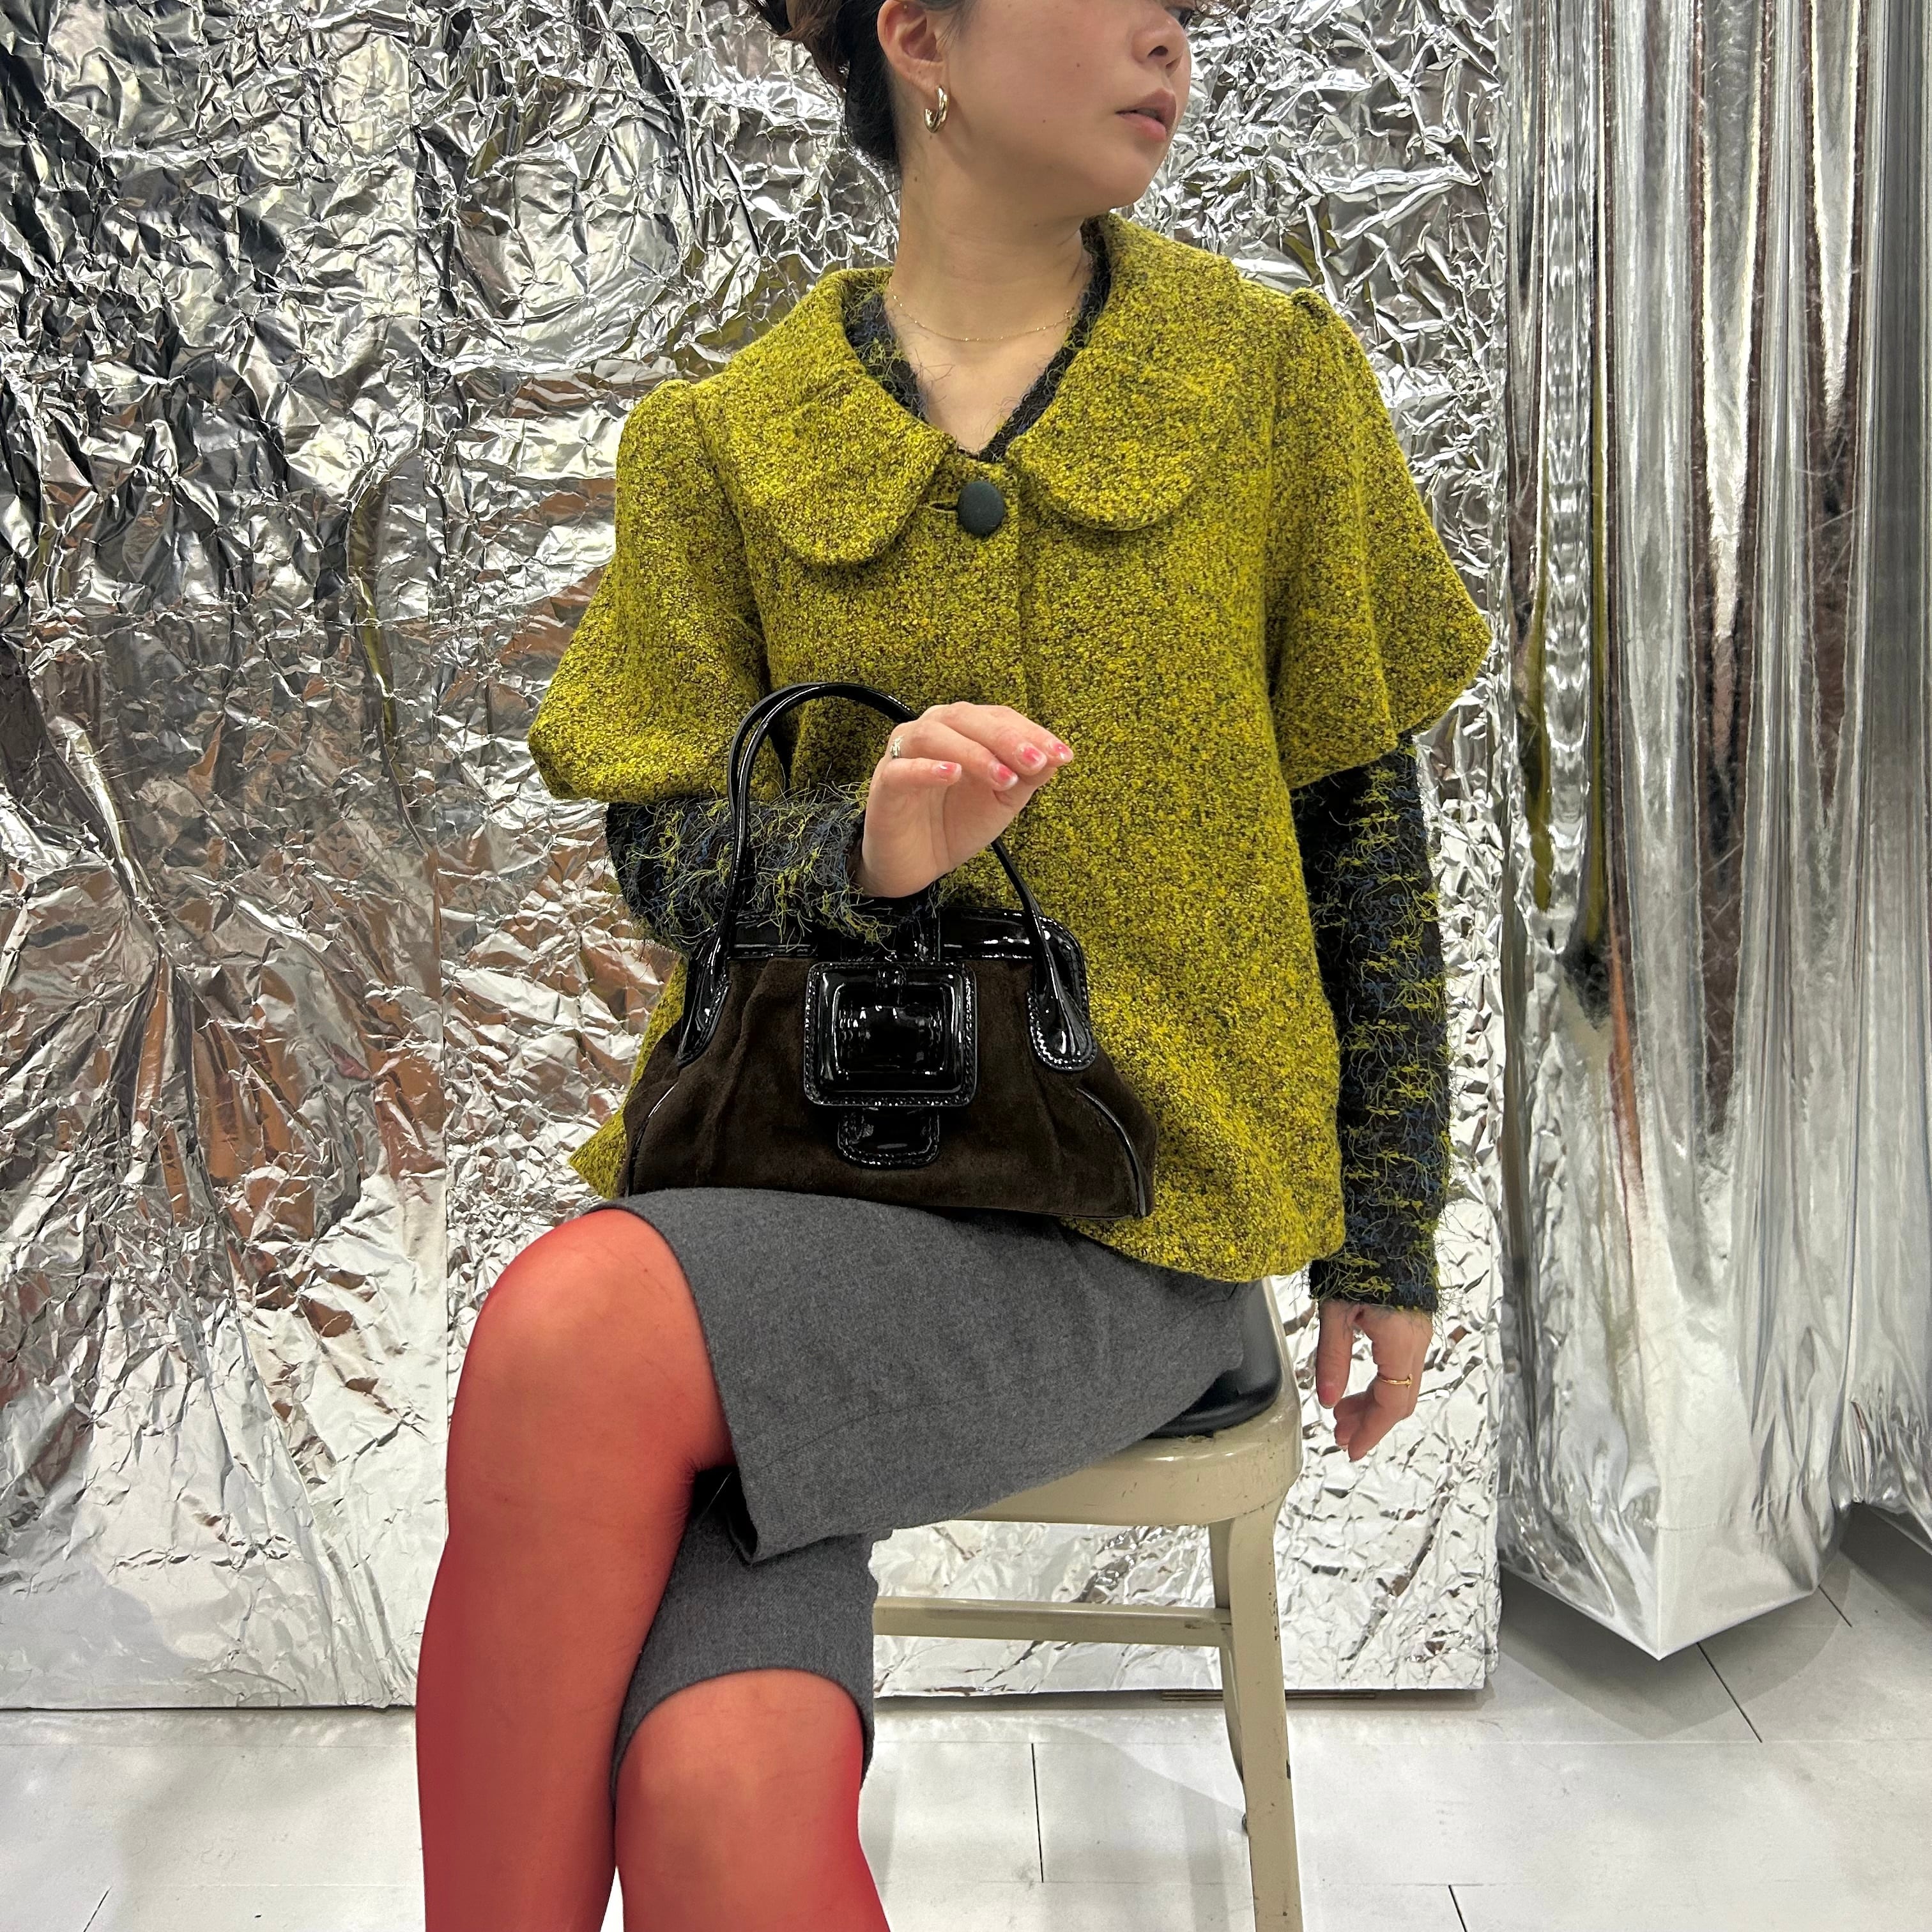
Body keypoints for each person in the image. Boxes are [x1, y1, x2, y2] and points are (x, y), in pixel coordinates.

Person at [413, 0, 1491, 1926]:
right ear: (920, 36)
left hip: (1135, 1227)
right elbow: (662, 849)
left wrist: (1387, 1236)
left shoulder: (1266, 383)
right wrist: (861, 850)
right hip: (802, 1191)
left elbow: (1362, 836)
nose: (1173, 29)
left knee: (573, 1339)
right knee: (717, 1788)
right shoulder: (725, 444)